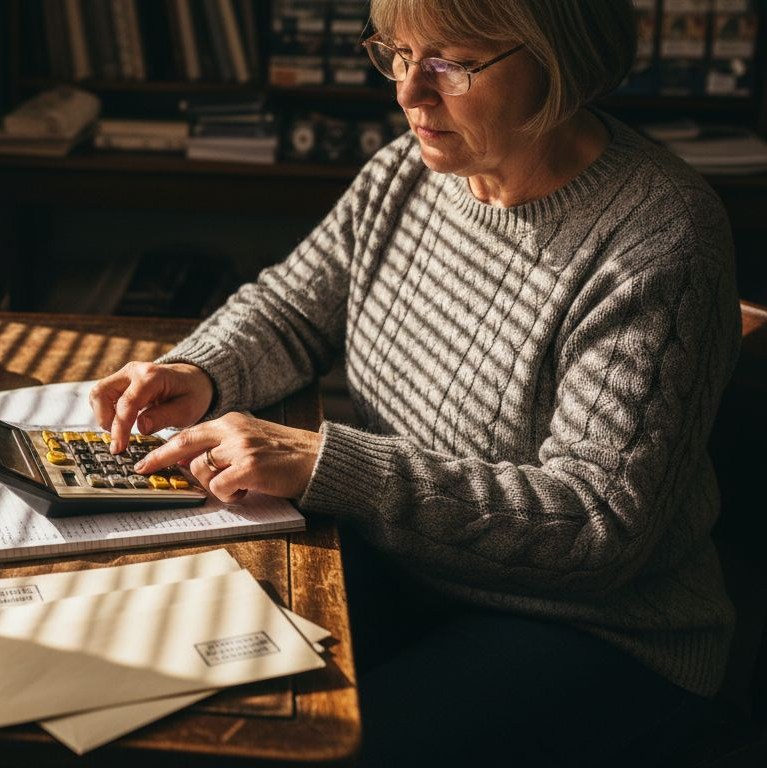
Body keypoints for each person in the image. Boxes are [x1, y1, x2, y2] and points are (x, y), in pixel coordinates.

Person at [89, 0, 740, 764]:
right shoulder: (409, 171)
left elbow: (596, 526)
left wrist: (329, 464)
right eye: (397, 54)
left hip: (597, 628)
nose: (408, 93)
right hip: (397, 566)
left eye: (450, 65)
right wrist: (196, 370)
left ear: (560, 62)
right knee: (163, 690)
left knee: (306, 748)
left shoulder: (659, 238)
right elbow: (291, 306)